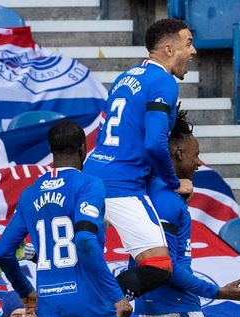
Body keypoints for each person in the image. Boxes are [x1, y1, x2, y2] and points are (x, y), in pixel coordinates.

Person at [0, 119, 140, 317]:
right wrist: (116, 296)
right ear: (83, 148)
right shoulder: (89, 185)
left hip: (50, 305)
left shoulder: (30, 193)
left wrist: (25, 291)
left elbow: (4, 252)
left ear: (50, 151)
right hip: (88, 304)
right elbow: (86, 242)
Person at [135, 111, 240, 317]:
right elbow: (167, 268)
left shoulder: (154, 191)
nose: (200, 163)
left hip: (155, 304)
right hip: (174, 304)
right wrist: (220, 291)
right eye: (196, 155)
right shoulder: (168, 202)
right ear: (179, 154)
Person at [82, 19, 197, 301]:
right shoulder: (163, 81)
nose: (193, 51)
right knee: (159, 266)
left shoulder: (127, 76)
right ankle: (104, 301)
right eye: (188, 43)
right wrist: (173, 182)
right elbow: (155, 143)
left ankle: (36, 246)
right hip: (121, 185)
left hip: (92, 174)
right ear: (168, 49)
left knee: (84, 253)